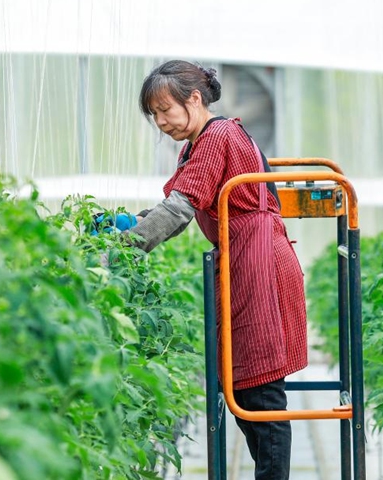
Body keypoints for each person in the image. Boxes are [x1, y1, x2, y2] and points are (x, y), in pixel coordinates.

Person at [126, 60, 308, 479]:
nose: (160, 121)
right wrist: (132, 225)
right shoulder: (202, 141)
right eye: (154, 114)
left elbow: (179, 209)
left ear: (194, 99)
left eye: (164, 109)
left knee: (259, 390)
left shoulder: (217, 135)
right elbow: (176, 203)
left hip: (257, 264)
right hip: (247, 258)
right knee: (244, 382)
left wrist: (120, 252)